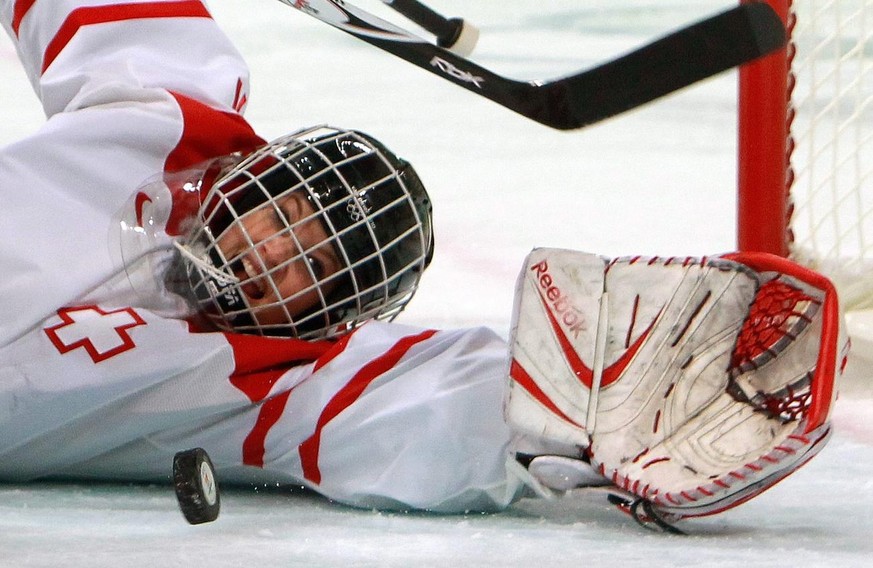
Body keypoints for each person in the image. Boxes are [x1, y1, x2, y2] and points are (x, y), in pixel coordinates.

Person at [0, 0, 849, 529]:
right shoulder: (171, 112)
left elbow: (449, 405)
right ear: (257, 176)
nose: (273, 252)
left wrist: (598, 407)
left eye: (311, 267)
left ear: (329, 315)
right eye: (288, 215)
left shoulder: (281, 386)